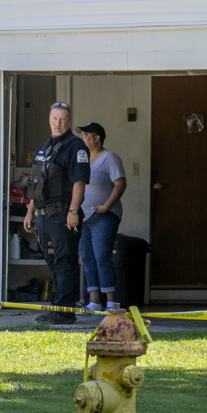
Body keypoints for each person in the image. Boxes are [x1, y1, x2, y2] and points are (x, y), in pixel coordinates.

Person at [22, 103, 90, 324]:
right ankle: (59, 308)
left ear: (69, 122)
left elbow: (79, 183)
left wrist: (73, 211)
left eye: (63, 119)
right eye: (55, 119)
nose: (58, 123)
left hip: (63, 217)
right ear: (49, 120)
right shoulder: (44, 149)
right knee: (53, 263)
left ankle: (64, 312)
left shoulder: (75, 147)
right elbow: (37, 185)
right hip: (44, 217)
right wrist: (30, 211)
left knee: (65, 263)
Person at [76, 122, 127, 312]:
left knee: (102, 256)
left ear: (97, 138)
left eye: (85, 135)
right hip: (84, 216)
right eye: (81, 135)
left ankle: (112, 303)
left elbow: (120, 184)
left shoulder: (110, 158)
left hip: (103, 216)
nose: (82, 138)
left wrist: (106, 206)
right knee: (87, 258)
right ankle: (95, 302)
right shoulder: (82, 159)